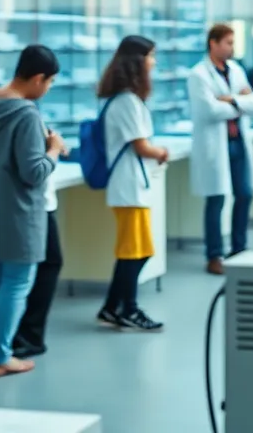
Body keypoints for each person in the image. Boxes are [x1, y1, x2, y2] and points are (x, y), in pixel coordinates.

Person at [0, 45, 67, 377]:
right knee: (16, 282)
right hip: (18, 213)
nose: (47, 89)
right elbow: (33, 172)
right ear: (38, 78)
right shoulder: (26, 114)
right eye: (49, 82)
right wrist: (53, 150)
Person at [95, 36, 169, 331]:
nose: (154, 62)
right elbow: (141, 146)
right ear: (138, 61)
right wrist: (161, 151)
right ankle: (129, 309)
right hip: (128, 188)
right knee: (135, 252)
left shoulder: (125, 99)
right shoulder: (126, 101)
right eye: (151, 56)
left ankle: (112, 308)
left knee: (135, 251)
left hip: (132, 187)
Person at [188, 24, 253, 275]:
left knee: (244, 194)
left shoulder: (236, 70)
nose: (232, 47)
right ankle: (214, 255)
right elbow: (209, 110)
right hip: (215, 144)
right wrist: (241, 102)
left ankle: (239, 250)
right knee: (216, 199)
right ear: (213, 43)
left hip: (237, 141)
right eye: (228, 42)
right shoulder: (198, 75)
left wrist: (230, 100)